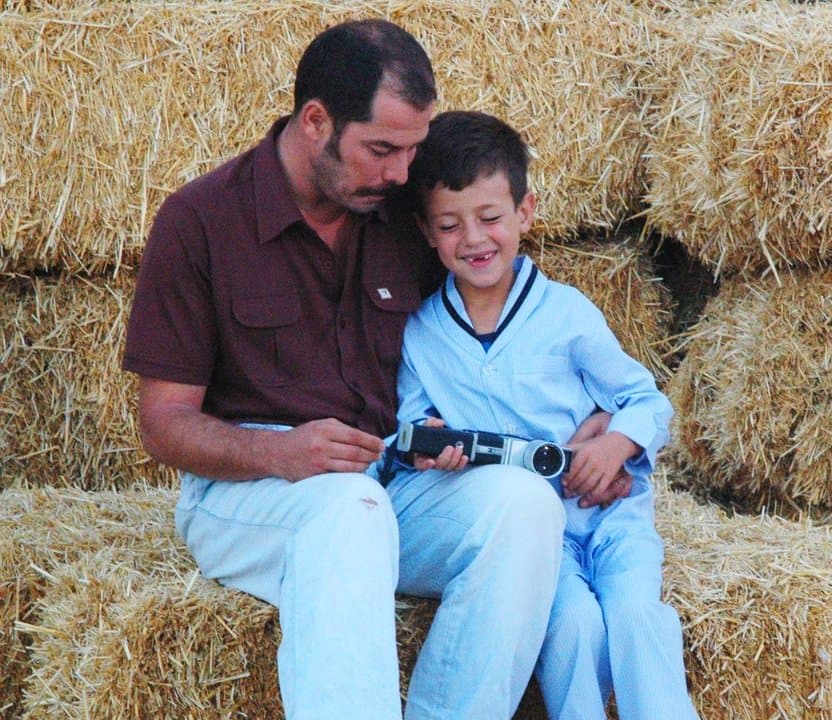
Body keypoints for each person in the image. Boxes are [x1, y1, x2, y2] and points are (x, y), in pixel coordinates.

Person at [122, 20, 629, 720]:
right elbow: (162, 425)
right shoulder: (201, 219)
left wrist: (594, 427)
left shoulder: (406, 215)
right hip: (249, 494)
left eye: (411, 151)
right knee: (347, 510)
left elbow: (499, 330)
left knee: (524, 506)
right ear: (316, 121)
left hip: (390, 484)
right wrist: (280, 451)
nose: (400, 174)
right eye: (381, 150)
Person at [390, 110, 700, 720]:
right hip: (538, 540)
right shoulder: (422, 333)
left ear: (525, 213)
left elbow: (646, 400)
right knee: (573, 626)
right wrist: (428, 444)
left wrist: (616, 446)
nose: (474, 239)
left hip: (613, 520)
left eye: (490, 218)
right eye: (450, 225)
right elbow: (409, 425)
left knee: (638, 617)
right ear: (426, 231)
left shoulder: (565, 313)